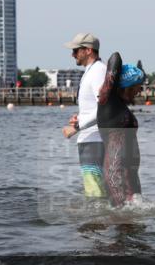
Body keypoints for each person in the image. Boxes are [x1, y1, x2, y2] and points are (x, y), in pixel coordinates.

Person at [61, 33, 107, 199]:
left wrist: (76, 127)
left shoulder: (98, 72)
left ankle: (97, 224)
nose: (72, 54)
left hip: (95, 140)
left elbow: (104, 106)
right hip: (92, 138)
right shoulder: (93, 70)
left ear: (88, 50)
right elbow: (96, 106)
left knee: (95, 194)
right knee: (96, 191)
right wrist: (81, 117)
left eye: (75, 50)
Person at [97, 52, 145, 207]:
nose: (141, 90)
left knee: (136, 225)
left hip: (129, 174)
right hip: (116, 173)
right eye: (139, 86)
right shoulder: (108, 100)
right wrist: (113, 81)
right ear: (128, 86)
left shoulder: (121, 106)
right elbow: (115, 58)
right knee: (124, 222)